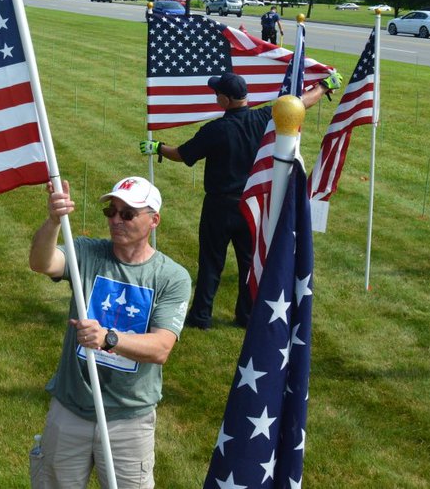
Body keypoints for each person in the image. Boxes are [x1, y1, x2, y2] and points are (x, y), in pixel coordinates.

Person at [140, 71, 337, 330]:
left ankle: (201, 317)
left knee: (211, 262)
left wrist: (158, 148)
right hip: (251, 205)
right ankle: (246, 316)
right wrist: (324, 86)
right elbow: (300, 104)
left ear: (225, 99)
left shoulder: (215, 129)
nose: (214, 96)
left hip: (219, 207)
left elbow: (183, 154)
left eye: (216, 93)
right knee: (248, 262)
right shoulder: (265, 117)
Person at [29, 176, 191, 489]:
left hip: (128, 420)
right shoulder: (87, 253)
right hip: (70, 410)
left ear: (153, 220)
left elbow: (161, 348)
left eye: (127, 214)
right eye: (111, 212)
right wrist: (52, 221)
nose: (116, 220)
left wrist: (108, 338)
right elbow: (41, 262)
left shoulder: (172, 277)